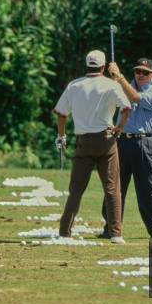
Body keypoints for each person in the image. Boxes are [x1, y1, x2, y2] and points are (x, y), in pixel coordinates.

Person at [53, 50, 131, 244]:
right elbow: (127, 107)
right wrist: (120, 127)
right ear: (103, 67)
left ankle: (64, 232)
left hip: (83, 142)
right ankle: (115, 233)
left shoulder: (74, 86)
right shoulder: (111, 85)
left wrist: (61, 136)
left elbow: (61, 114)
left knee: (76, 189)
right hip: (106, 140)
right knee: (112, 188)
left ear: (87, 65)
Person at [100, 58, 152, 239]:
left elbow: (135, 97)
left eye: (145, 72)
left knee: (147, 188)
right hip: (121, 142)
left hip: (145, 143)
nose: (140, 75)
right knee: (115, 186)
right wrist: (113, 80)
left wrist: (119, 78)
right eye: (138, 71)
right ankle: (110, 228)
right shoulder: (120, 85)